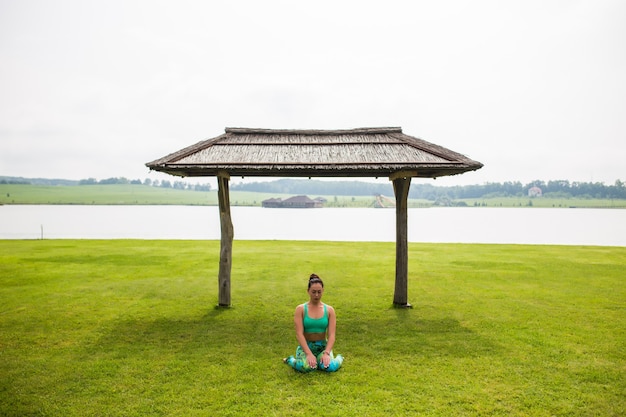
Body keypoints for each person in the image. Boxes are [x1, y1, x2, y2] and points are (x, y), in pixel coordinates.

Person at [283, 274, 344, 372]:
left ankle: (340, 358)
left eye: (319, 292)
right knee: (307, 367)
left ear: (323, 291)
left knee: (328, 367)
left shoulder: (329, 310)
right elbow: (299, 334)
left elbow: (332, 335)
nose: (316, 295)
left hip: (323, 347)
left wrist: (327, 353)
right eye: (313, 292)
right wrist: (308, 354)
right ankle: (290, 360)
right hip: (306, 346)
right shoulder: (301, 309)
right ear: (308, 291)